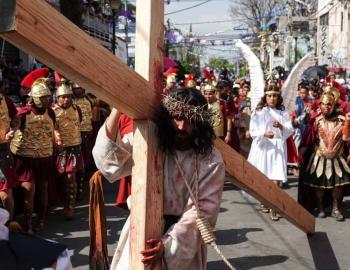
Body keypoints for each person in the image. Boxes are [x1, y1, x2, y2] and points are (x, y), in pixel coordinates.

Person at [93, 88, 225, 269]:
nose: (181, 127)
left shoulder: (210, 160)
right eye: (177, 117)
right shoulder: (148, 140)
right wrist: (118, 107)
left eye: (190, 120)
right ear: (166, 118)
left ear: (200, 122)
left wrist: (168, 245)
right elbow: (108, 163)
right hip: (140, 231)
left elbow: (203, 212)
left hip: (182, 243)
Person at [10, 78, 55, 233]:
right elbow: (14, 125)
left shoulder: (51, 113)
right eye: (43, 97)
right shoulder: (24, 113)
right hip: (26, 158)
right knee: (28, 188)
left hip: (44, 157)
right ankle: (28, 223)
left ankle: (41, 219)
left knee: (43, 188)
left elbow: (53, 130)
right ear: (35, 98)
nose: (46, 100)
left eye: (48, 97)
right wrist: (11, 131)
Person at [298, 93, 350, 221]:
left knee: (338, 185)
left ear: (333, 106)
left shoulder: (343, 120)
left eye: (329, 104)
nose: (326, 107)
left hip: (338, 158)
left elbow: (347, 139)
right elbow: (308, 140)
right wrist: (300, 154)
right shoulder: (316, 121)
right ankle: (320, 207)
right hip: (319, 158)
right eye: (323, 104)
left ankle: (336, 208)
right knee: (319, 185)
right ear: (320, 105)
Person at [248, 84, 293, 220]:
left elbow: (290, 130)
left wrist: (280, 126)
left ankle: (275, 206)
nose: (272, 98)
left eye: (274, 96)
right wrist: (263, 133)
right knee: (264, 177)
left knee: (276, 177)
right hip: (263, 148)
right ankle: (265, 201)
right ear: (265, 97)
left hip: (277, 147)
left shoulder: (283, 113)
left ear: (278, 97)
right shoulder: (259, 111)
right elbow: (252, 130)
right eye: (269, 96)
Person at [53, 81, 83, 220]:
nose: (66, 99)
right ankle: (62, 205)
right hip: (58, 151)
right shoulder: (52, 111)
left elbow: (79, 123)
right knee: (59, 180)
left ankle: (70, 207)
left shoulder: (77, 109)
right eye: (63, 97)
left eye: (68, 96)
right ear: (57, 98)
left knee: (71, 178)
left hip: (73, 148)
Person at [72, 83, 94, 200]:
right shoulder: (71, 103)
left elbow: (92, 118)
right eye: (76, 89)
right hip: (73, 136)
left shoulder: (89, 100)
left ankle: (81, 188)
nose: (78, 90)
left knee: (85, 161)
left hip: (86, 134)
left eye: (80, 88)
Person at [0, 91, 19, 220]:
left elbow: (16, 119)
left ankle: (9, 225)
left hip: (2, 150)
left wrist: (13, 130)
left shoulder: (6, 101)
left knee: (5, 196)